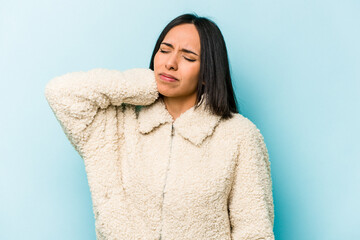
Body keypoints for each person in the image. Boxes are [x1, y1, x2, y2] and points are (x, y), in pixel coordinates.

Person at [45, 13, 275, 240]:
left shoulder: (239, 136)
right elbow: (60, 92)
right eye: (164, 51)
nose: (170, 63)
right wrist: (144, 85)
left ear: (207, 73)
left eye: (188, 57)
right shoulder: (117, 125)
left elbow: (254, 232)